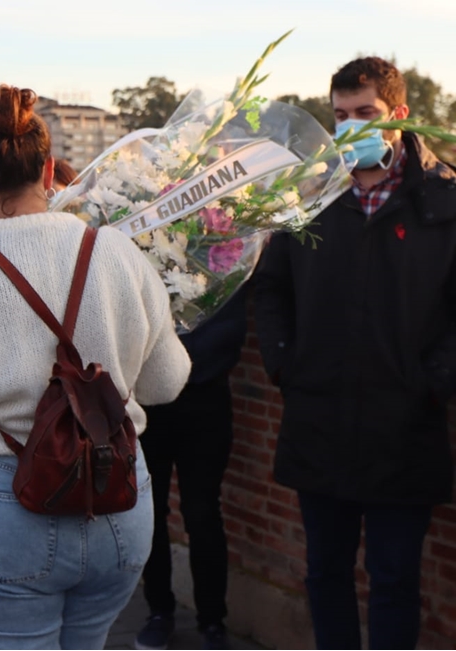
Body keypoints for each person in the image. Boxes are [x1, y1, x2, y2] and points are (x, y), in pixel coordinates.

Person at [0, 85, 191, 649]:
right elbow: (167, 382)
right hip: (118, 498)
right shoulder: (118, 253)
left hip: (5, 508)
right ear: (48, 171)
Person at [252, 57, 456, 650]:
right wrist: (284, 362)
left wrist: (433, 380)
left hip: (405, 424)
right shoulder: (308, 194)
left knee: (395, 580)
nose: (351, 127)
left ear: (400, 114)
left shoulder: (442, 200)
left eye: (365, 113)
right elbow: (271, 287)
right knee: (325, 573)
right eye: (340, 116)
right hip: (319, 416)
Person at [133, 290, 247, 650]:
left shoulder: (224, 246)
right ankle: (159, 612)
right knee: (151, 511)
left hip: (205, 394)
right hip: (151, 399)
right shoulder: (139, 244)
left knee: (203, 513)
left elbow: (233, 319)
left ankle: (212, 621)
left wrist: (187, 363)